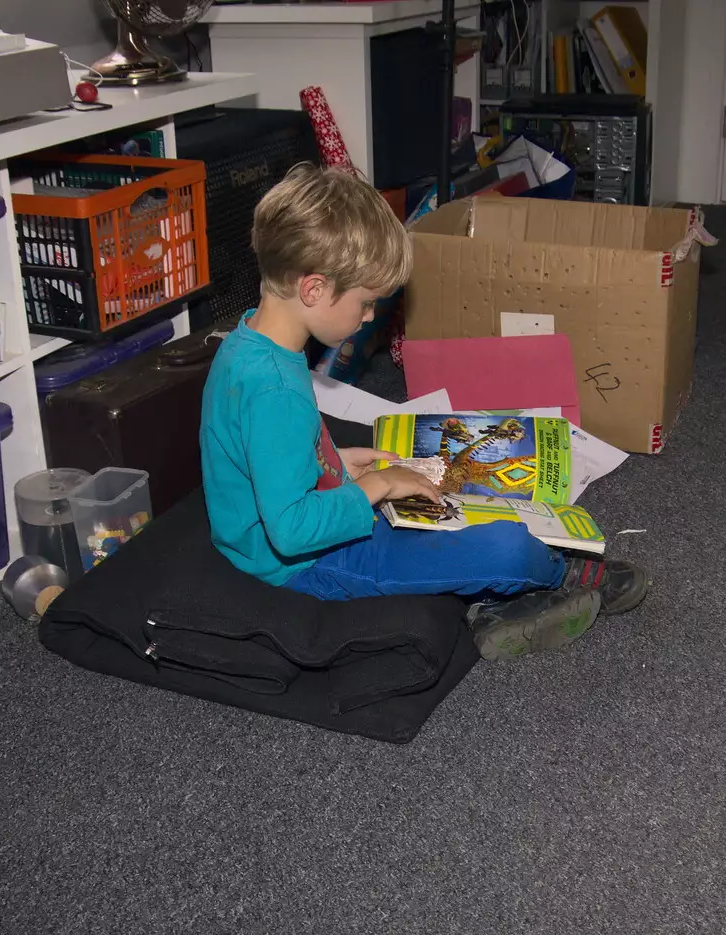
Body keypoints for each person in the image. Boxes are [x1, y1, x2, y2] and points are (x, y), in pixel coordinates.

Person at [199, 164, 649, 658]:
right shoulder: (277, 391)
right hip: (305, 563)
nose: (369, 316)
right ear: (314, 289)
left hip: (272, 533)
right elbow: (291, 530)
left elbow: (261, 450)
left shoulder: (244, 342)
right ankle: (554, 575)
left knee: (439, 502)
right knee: (508, 550)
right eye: (366, 302)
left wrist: (333, 462)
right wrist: (378, 486)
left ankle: (492, 585)